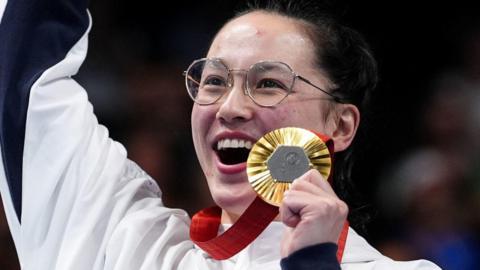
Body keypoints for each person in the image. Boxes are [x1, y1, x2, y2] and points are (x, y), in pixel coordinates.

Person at [0, 0, 441, 269]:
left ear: (340, 124)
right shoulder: (119, 240)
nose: (230, 107)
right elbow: (26, 76)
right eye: (213, 81)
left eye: (269, 83)